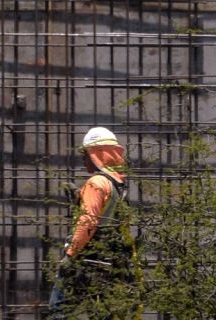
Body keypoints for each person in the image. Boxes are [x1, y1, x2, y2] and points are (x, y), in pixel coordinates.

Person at [47, 126, 134, 315]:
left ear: (95, 154)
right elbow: (109, 217)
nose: (83, 159)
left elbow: (88, 222)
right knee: (102, 312)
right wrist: (80, 198)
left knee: (59, 310)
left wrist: (70, 255)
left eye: (85, 154)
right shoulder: (118, 185)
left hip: (85, 260)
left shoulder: (96, 183)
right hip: (106, 261)